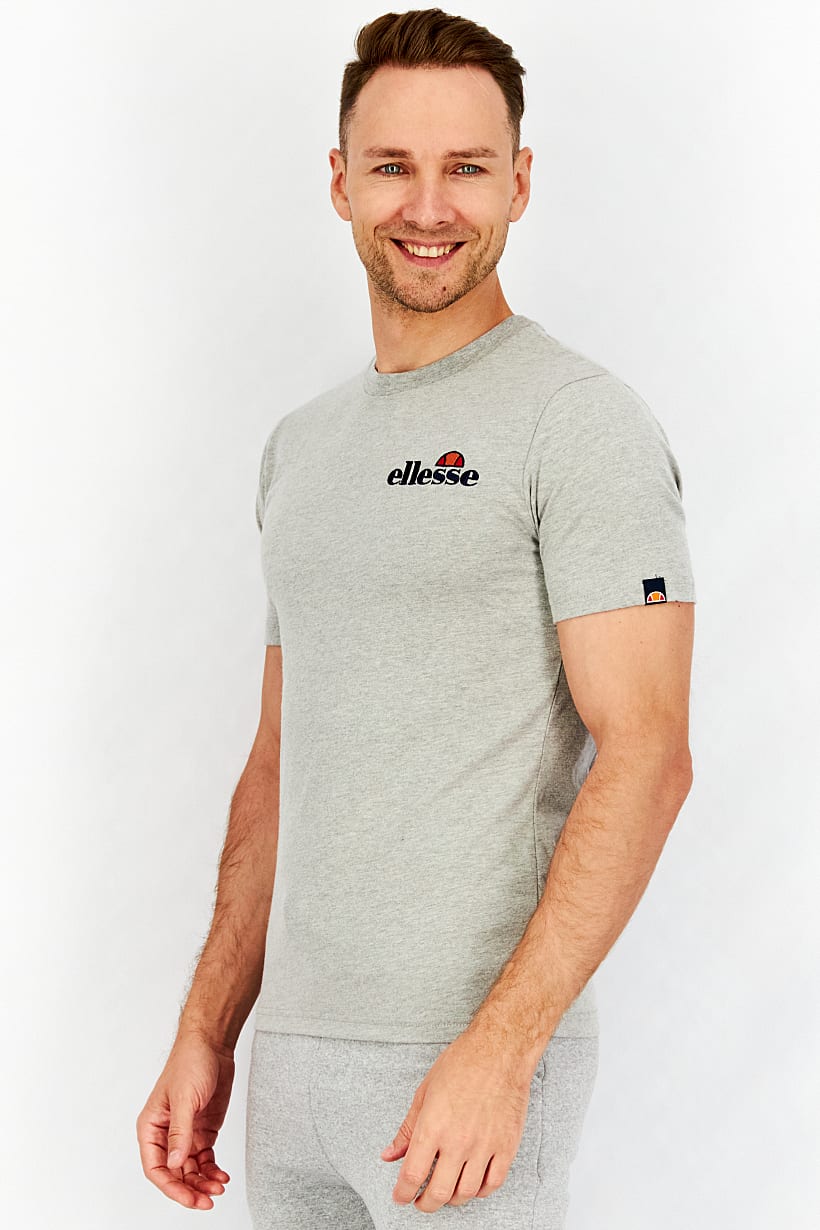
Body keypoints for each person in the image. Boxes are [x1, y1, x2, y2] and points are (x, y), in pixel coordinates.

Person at [136, 8, 696, 1226]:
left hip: (466, 1075)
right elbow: (280, 761)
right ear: (341, 183)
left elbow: (648, 754)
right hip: (291, 1070)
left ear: (519, 183)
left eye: (467, 168)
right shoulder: (301, 450)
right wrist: (209, 1029)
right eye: (392, 165)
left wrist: (501, 1052)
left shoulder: (578, 423)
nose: (428, 207)